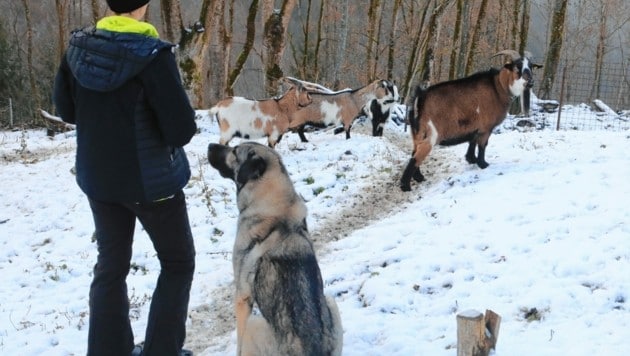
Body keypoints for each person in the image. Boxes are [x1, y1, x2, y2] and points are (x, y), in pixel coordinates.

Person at [53, 1, 197, 355]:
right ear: (144, 6)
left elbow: (67, 110)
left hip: (100, 181)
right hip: (152, 184)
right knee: (178, 263)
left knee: (111, 267)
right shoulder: (152, 55)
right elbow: (180, 130)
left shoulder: (78, 48)